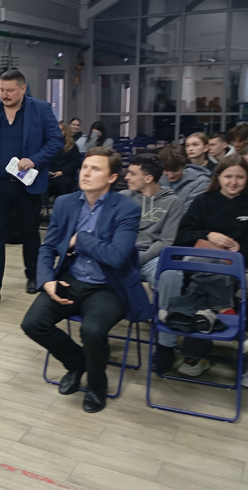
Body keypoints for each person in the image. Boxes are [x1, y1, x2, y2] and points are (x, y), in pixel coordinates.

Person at [21, 147, 150, 413]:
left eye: (95, 169)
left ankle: (96, 384)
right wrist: (47, 280)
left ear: (112, 177)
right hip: (71, 278)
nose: (86, 173)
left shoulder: (126, 209)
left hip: (108, 286)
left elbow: (117, 257)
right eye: (85, 167)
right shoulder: (65, 203)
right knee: (33, 323)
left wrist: (81, 240)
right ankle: (77, 363)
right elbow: (48, 247)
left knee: (92, 331)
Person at [0, 69, 64, 303]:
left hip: (27, 184)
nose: (5, 95)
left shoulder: (40, 109)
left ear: (22, 89)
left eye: (10, 90)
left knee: (30, 232)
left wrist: (35, 159)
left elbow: (56, 141)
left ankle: (34, 276)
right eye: (2, 90)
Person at [171, 155, 248, 378]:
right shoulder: (202, 202)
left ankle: (195, 354)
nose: (233, 182)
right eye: (228, 176)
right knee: (207, 265)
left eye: (240, 177)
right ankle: (229, 312)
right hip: (198, 264)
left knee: (206, 285)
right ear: (218, 177)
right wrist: (208, 235)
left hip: (238, 270)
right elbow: (182, 238)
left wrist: (240, 248)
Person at [120, 154, 186, 374]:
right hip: (122, 254)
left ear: (148, 178)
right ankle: (95, 332)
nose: (126, 177)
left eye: (132, 173)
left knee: (172, 275)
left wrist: (139, 258)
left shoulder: (173, 202)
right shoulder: (123, 197)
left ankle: (166, 346)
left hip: (151, 257)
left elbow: (166, 241)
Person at [157, 144, 210, 210]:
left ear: (183, 166)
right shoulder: (157, 179)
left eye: (175, 170)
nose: (171, 175)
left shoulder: (201, 182)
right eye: (166, 170)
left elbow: (191, 209)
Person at [48, 121, 82, 199]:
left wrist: (62, 172)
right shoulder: (48, 145)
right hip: (48, 175)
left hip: (65, 175)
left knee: (63, 183)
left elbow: (76, 162)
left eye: (61, 130)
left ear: (66, 131)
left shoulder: (72, 145)